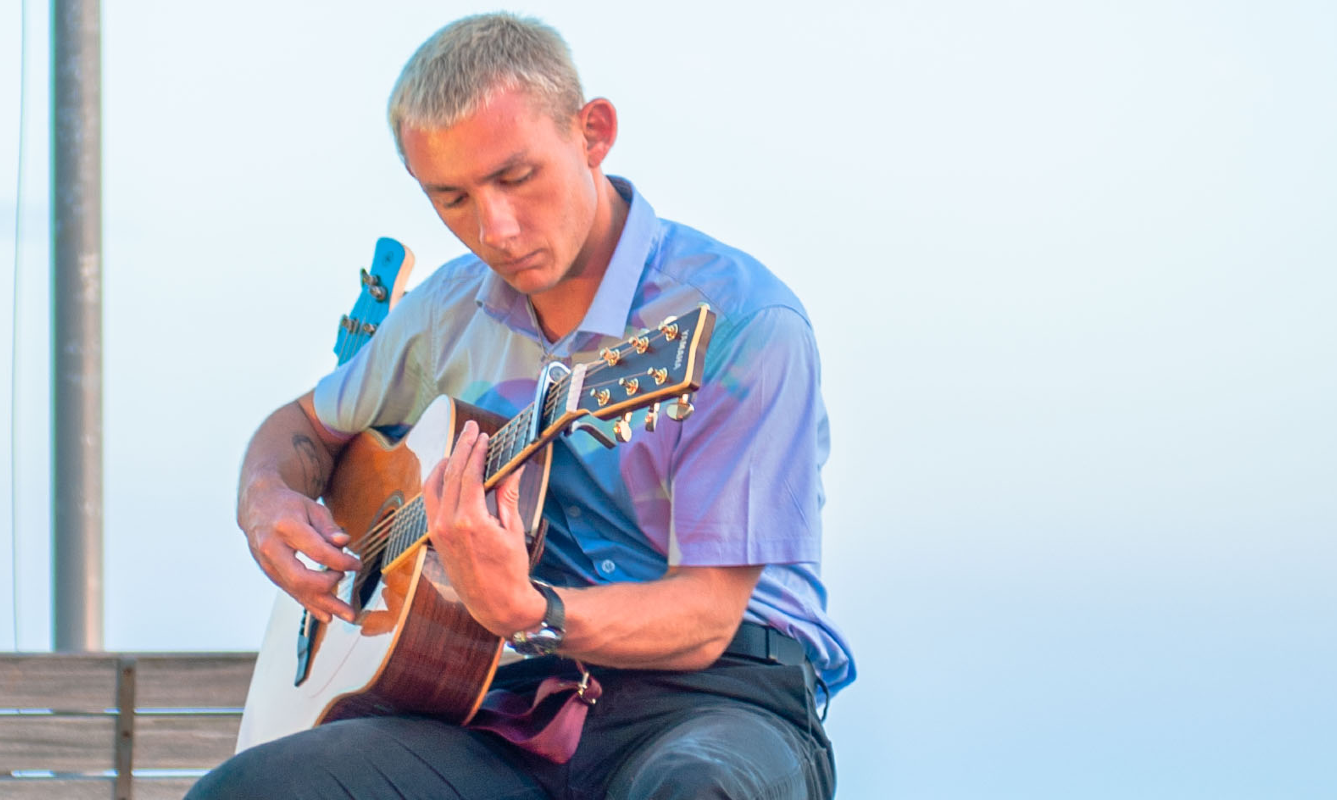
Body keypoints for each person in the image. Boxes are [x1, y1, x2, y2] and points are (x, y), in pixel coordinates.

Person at [195, 12, 851, 799]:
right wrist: (266, 496)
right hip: (505, 708)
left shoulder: (739, 320)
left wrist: (527, 608)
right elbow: (303, 425)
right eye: (453, 198)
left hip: (717, 696)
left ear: (593, 132)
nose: (494, 229)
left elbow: (707, 617)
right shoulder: (447, 311)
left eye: (516, 177)